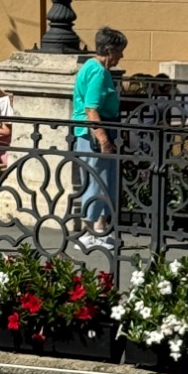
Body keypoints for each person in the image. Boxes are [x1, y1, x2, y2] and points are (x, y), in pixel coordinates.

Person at [73, 25, 128, 250]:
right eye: (119, 51)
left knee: (102, 181)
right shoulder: (98, 72)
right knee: (96, 182)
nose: (121, 56)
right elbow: (91, 108)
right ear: (109, 50)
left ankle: (100, 229)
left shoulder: (91, 67)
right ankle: (89, 233)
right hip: (94, 134)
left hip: (92, 133)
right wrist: (104, 139)